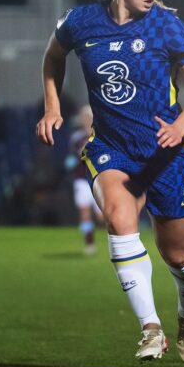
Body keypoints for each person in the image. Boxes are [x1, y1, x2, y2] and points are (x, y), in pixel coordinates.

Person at [36, 0, 184, 363]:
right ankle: (150, 329)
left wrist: (180, 126)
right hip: (113, 148)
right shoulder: (80, 23)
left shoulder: (168, 27)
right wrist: (52, 106)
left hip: (166, 155)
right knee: (119, 216)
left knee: (177, 254)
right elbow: (52, 57)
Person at [66, 105, 104, 255]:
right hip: (81, 180)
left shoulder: (100, 135)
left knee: (102, 217)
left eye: (87, 117)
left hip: (99, 179)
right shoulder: (76, 137)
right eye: (83, 117)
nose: (85, 120)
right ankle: (90, 244)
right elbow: (70, 158)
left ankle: (117, 240)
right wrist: (69, 163)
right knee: (84, 212)